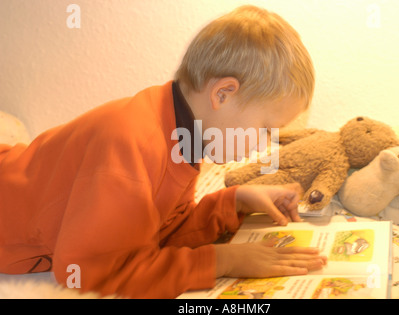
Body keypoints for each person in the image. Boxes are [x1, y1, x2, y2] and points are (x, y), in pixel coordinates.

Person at [0, 5, 325, 298]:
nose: (264, 144)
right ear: (223, 93)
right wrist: (222, 260)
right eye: (267, 128)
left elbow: (155, 232)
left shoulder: (180, 131)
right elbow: (88, 274)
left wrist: (234, 201)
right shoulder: (130, 146)